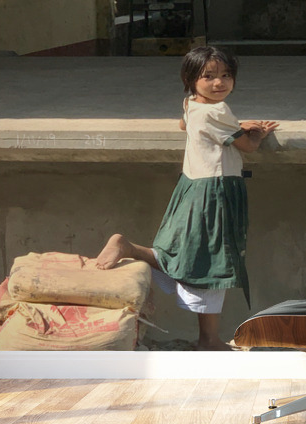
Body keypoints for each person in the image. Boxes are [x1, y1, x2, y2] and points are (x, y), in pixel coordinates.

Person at [95, 46, 278, 351]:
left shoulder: (191, 104)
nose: (219, 82)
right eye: (209, 76)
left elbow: (185, 125)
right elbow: (247, 147)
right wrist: (257, 132)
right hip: (216, 193)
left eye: (225, 75)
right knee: (212, 263)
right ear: (191, 79)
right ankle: (208, 339)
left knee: (193, 259)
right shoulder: (218, 111)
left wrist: (236, 126)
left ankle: (206, 336)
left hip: (192, 188)